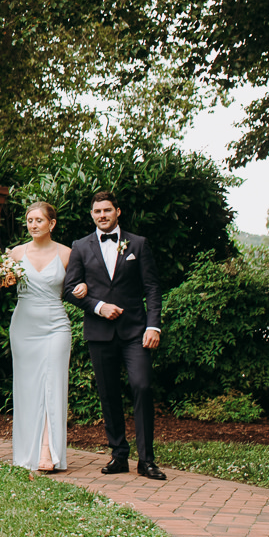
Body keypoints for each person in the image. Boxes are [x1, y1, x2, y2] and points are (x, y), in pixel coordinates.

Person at [65, 191, 165, 480]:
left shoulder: (139, 244)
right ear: (92, 215)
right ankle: (118, 454)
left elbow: (152, 289)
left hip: (136, 331)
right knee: (108, 394)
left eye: (107, 210)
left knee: (142, 386)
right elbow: (69, 289)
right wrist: (97, 306)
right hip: (100, 332)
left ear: (117, 212)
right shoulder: (81, 246)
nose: (102, 216)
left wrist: (153, 325)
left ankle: (146, 460)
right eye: (97, 212)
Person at [0, 201, 72, 473]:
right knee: (28, 386)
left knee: (52, 384)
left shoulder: (67, 254)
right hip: (24, 327)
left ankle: (47, 451)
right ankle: (28, 448)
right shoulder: (16, 253)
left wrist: (84, 287)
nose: (33, 225)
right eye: (29, 220)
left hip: (56, 326)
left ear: (51, 224)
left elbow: (78, 284)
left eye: (39, 220)